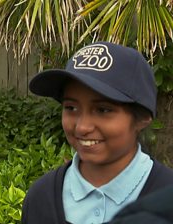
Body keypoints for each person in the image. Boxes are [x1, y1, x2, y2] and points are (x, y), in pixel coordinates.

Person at [21, 41, 173, 224]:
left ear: (141, 119)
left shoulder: (166, 199)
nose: (82, 127)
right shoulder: (41, 198)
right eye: (71, 107)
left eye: (103, 110)